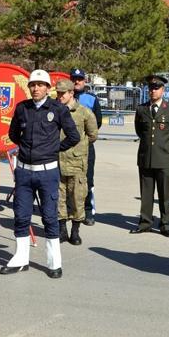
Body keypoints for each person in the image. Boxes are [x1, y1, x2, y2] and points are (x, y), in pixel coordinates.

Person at [1, 70, 80, 278]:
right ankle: (20, 258)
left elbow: (74, 136)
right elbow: (12, 134)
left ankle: (54, 263)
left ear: (47, 88)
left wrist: (53, 149)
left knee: (49, 217)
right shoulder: (22, 108)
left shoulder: (58, 109)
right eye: (32, 85)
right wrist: (27, 150)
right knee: (21, 215)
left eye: (40, 85)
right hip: (24, 172)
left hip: (48, 172)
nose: (35, 88)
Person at [130, 75, 169, 237]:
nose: (153, 91)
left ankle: (165, 224)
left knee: (164, 193)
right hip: (146, 157)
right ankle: (145, 222)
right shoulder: (141, 109)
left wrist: (164, 146)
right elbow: (140, 131)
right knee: (146, 193)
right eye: (151, 88)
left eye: (156, 88)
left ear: (163, 90)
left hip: (164, 158)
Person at [56, 78, 98, 246]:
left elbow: (93, 135)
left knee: (77, 197)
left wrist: (79, 148)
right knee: (59, 198)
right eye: (57, 93)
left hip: (76, 162)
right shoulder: (54, 110)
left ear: (71, 93)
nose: (59, 97)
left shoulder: (84, 112)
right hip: (57, 161)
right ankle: (62, 230)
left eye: (62, 94)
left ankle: (75, 232)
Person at [70, 69, 102, 226]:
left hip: (86, 147)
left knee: (87, 180)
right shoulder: (62, 98)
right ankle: (71, 210)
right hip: (66, 148)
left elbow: (98, 123)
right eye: (74, 79)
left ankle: (88, 211)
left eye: (80, 79)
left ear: (84, 81)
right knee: (67, 180)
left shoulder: (91, 99)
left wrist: (85, 140)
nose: (77, 82)